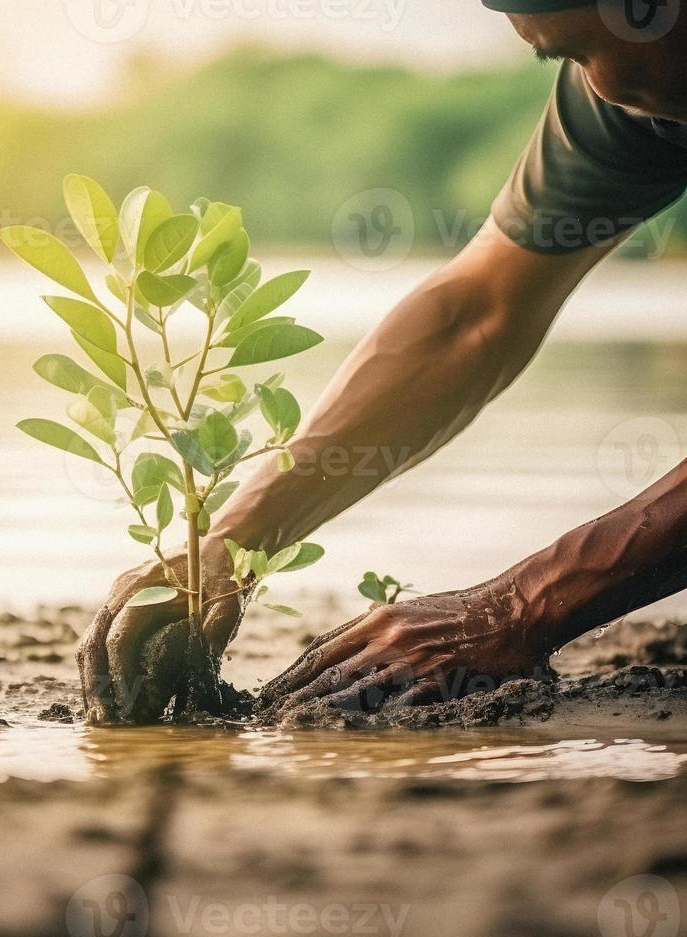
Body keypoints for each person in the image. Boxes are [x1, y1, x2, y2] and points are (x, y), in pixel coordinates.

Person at [77, 0, 687, 723]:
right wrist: (232, 542)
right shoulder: (638, 98)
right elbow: (476, 315)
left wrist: (519, 607)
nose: (597, 86)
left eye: (573, 49)